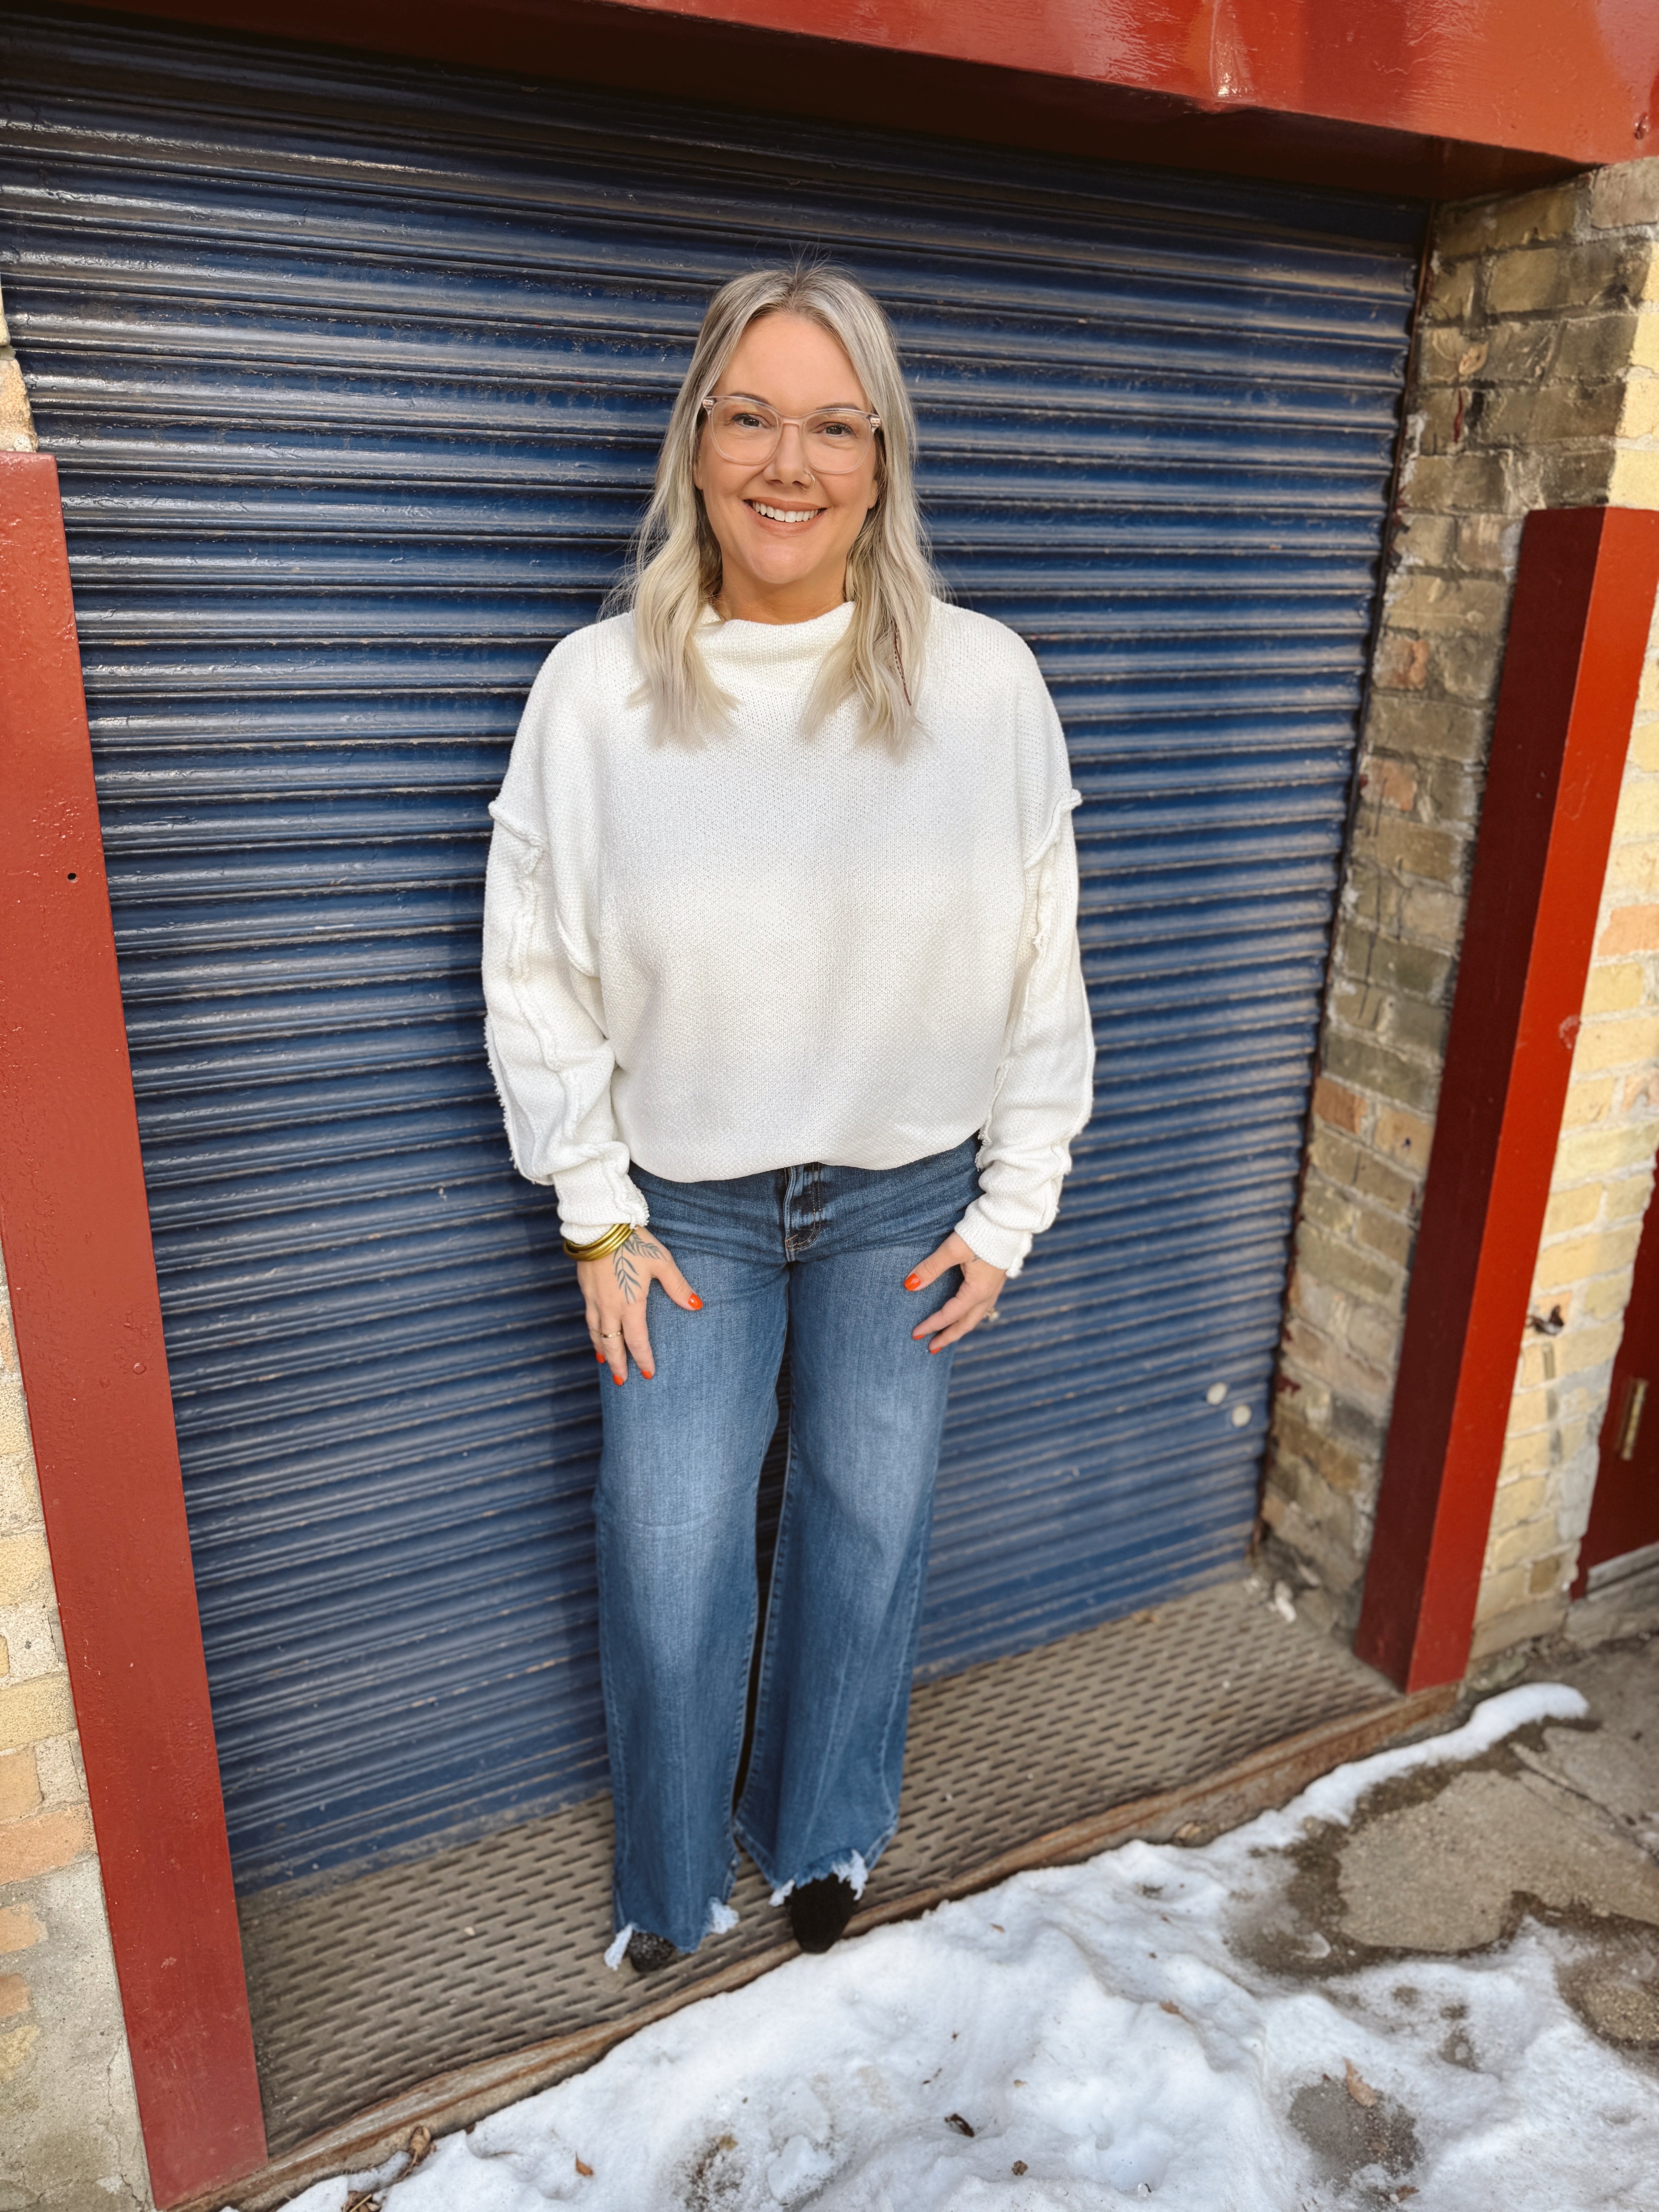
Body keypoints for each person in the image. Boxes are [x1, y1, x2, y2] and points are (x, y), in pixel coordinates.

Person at [482, 263, 1094, 1973]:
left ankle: (820, 1829)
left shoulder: (983, 686)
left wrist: (1011, 1203)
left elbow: (1044, 952)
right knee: (672, 1556)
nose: (787, 462)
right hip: (685, 1214)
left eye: (834, 424)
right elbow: (534, 967)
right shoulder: (596, 694)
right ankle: (670, 1884)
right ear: (695, 443)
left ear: (884, 461)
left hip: (906, 1200)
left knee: (868, 1528)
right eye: (748, 415)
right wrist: (596, 1210)